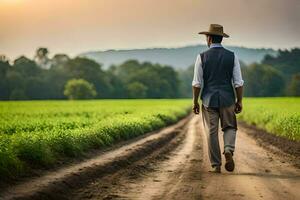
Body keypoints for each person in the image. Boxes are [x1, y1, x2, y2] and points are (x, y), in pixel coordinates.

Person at [192, 24, 244, 173]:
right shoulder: (232, 56)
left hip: (209, 100)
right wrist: (239, 100)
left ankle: (216, 165)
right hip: (227, 98)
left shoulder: (201, 57)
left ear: (209, 38)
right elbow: (238, 82)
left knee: (211, 132)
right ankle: (228, 150)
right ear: (221, 38)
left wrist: (195, 101)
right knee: (230, 126)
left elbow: (197, 83)